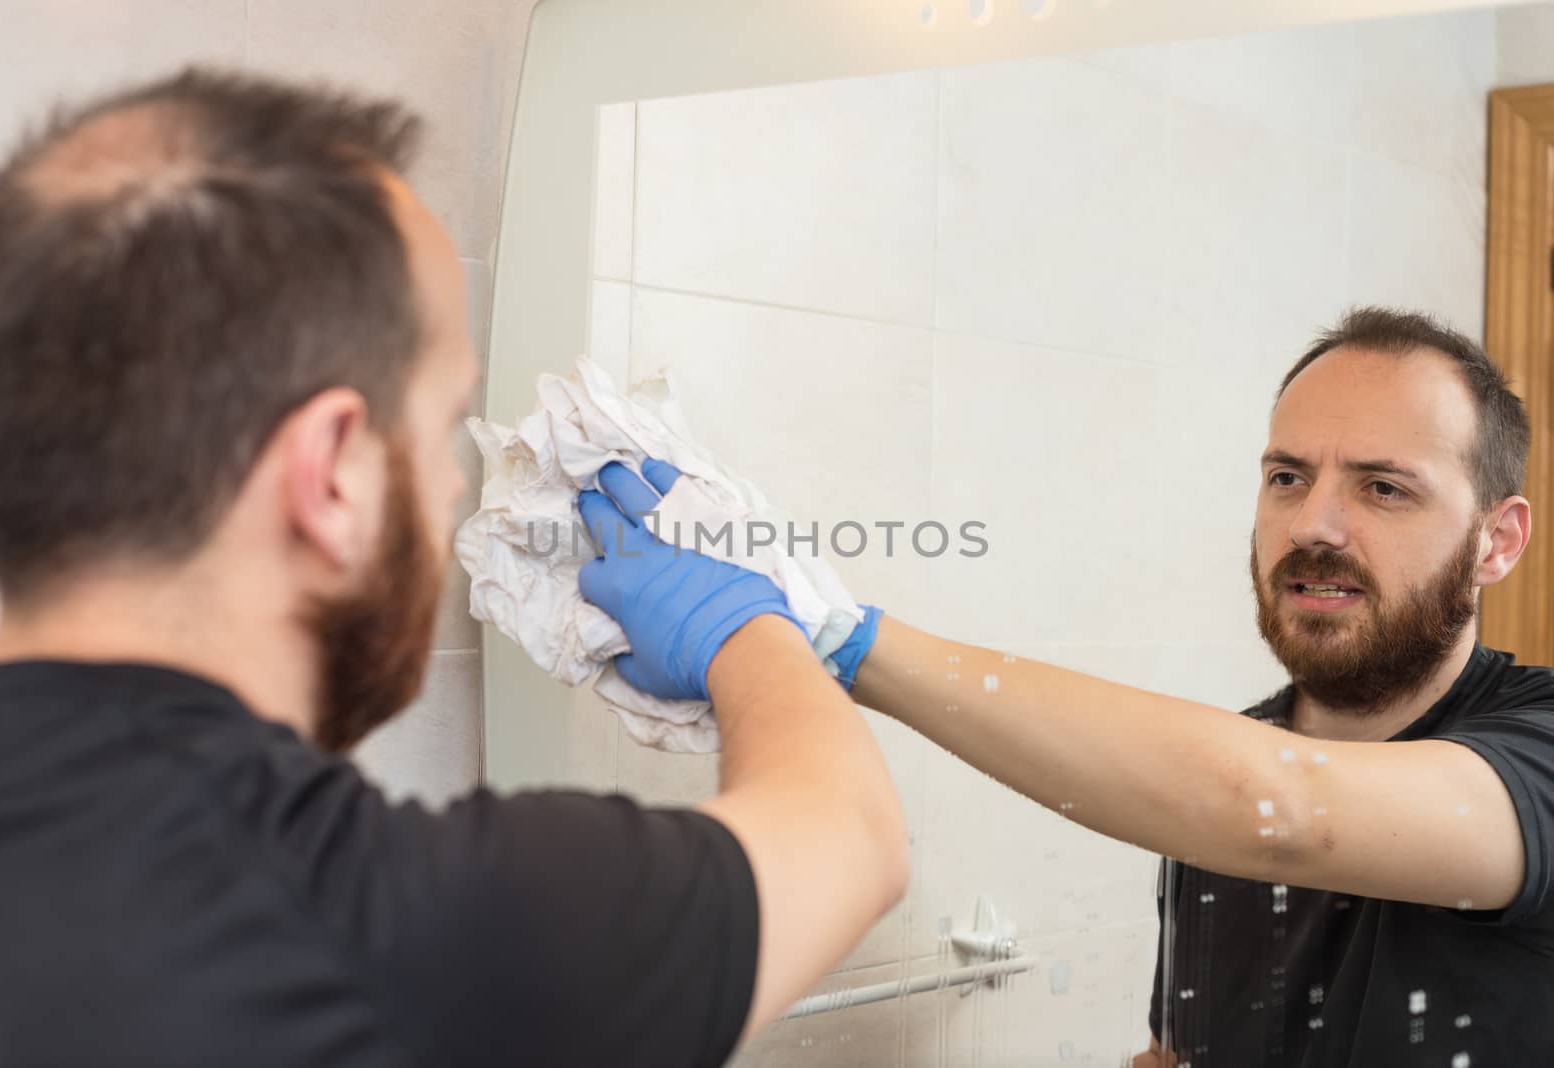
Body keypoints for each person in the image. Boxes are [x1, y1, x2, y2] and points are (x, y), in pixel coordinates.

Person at [0, 68, 907, 1067]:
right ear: (328, 477)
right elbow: (851, 832)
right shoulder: (411, 924)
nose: (454, 489)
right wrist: (742, 618)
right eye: (442, 426)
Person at [593, 308, 1554, 1066]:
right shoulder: (1202, 793)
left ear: (1497, 540)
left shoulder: (1537, 745)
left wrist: (838, 638)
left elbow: (1286, 806)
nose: (1318, 525)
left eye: (1385, 488)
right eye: (1288, 477)